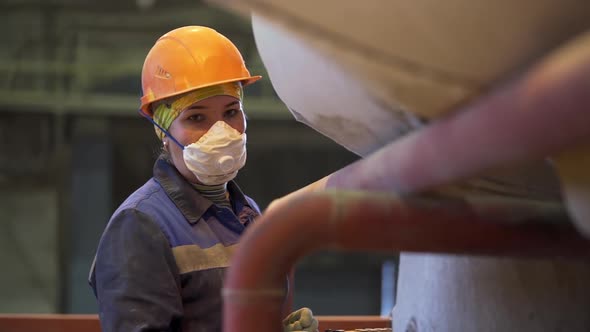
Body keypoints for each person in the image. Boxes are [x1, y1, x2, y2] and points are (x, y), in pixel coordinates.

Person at [88, 26, 318, 332]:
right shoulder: (140, 227)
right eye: (196, 117)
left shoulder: (249, 214)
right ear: (163, 130)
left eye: (231, 111)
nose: (221, 131)